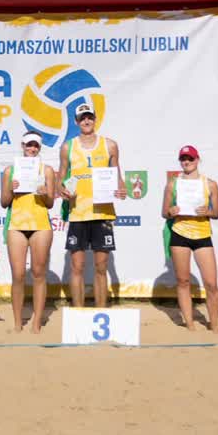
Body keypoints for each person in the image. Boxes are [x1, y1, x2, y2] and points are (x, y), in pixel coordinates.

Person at [57, 105, 125, 308]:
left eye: (89, 118)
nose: (86, 121)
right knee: (77, 266)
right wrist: (62, 190)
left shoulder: (110, 145)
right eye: (82, 118)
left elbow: (118, 179)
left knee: (101, 266)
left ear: (95, 120)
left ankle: (100, 312)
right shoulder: (68, 147)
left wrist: (121, 190)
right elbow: (61, 178)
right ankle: (78, 314)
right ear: (76, 122)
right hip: (78, 213)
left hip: (102, 213)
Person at [162, 145, 218, 332]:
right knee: (183, 281)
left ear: (198, 160)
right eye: (183, 159)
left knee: (211, 284)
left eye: (190, 158)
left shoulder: (210, 184)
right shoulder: (173, 183)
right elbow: (164, 212)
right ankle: (189, 323)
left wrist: (208, 211)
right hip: (180, 233)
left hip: (202, 234)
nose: (186, 162)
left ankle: (214, 324)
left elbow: (217, 213)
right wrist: (171, 212)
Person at [2, 131, 58, 332]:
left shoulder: (48, 170)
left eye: (35, 146)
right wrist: (11, 188)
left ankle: (36, 322)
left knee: (38, 273)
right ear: (22, 146)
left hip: (40, 225)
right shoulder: (10, 170)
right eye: (28, 145)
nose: (32, 149)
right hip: (17, 225)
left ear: (40, 148)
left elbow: (51, 203)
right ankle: (18, 322)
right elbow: (4, 202)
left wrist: (45, 194)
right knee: (17, 275)